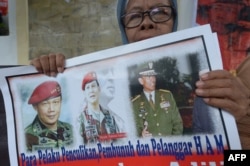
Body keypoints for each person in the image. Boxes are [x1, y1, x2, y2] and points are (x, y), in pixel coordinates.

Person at [30, 0, 250, 149]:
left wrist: (242, 119)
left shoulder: (208, 85)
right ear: (123, 27)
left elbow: (234, 160)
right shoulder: (105, 87)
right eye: (135, 16)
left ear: (174, 20)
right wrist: (42, 76)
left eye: (160, 12)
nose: (147, 22)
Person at [131, 62, 183, 137]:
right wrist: (141, 135)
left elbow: (177, 122)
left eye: (153, 76)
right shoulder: (135, 104)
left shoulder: (167, 96)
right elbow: (134, 130)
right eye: (148, 77)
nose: (153, 79)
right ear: (141, 81)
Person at [25, 81, 73, 151]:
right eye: (45, 103)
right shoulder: (26, 137)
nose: (51, 109)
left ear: (61, 102)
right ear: (35, 107)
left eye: (55, 102)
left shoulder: (71, 129)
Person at [79, 71, 120, 144]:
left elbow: (119, 142)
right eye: (88, 88)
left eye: (93, 86)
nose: (91, 90)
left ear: (99, 89)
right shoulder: (80, 120)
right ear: (84, 93)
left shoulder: (110, 116)